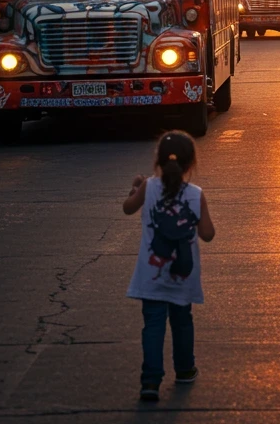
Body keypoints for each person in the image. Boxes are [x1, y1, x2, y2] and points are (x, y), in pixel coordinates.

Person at [123, 130, 215, 401]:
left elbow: (128, 208)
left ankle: (150, 381)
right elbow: (208, 234)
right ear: (190, 165)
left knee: (153, 324)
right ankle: (185, 370)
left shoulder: (149, 187)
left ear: (158, 162)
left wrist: (135, 189)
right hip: (183, 277)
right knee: (182, 322)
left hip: (151, 276)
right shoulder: (195, 194)